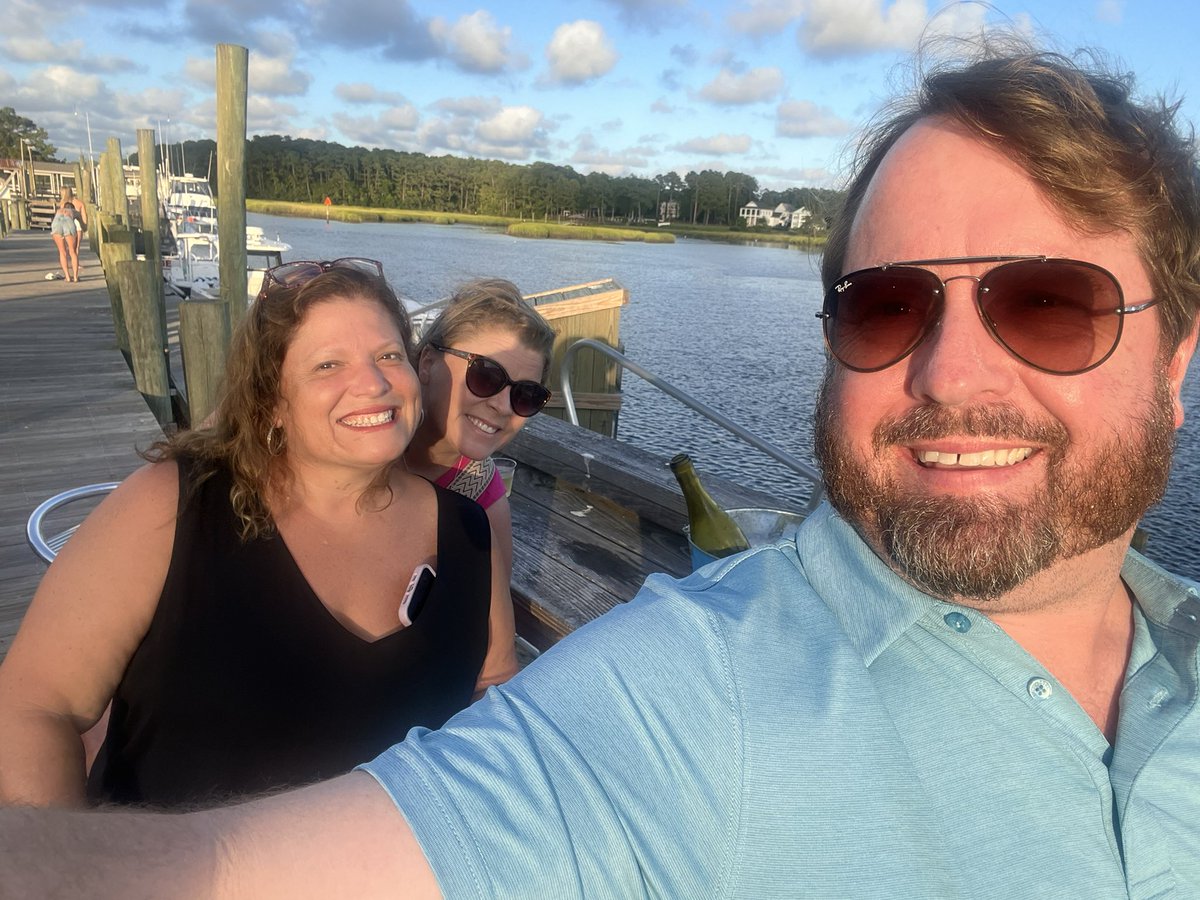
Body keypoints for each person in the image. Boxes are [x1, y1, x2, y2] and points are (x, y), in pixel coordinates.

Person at [3, 40, 1199, 897]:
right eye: (885, 306)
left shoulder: (473, 525)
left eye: (1051, 304)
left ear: (1178, 361)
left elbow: (490, 683)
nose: (949, 373)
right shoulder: (696, 692)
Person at [0, 259, 517, 810]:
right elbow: (33, 707)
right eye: (327, 365)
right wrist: (73, 870)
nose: (372, 382)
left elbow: (496, 694)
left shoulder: (467, 530)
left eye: (389, 356)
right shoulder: (176, 508)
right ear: (272, 403)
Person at [404, 278, 556, 619]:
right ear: (427, 363)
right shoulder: (364, 453)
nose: (503, 406)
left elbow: (488, 624)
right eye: (486, 376)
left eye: (525, 394)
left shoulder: (483, 497)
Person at [49, 187, 80, 282]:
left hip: (56, 223)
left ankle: (67, 277)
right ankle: (75, 277)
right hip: (68, 222)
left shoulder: (59, 210)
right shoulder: (74, 211)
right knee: (72, 251)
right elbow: (83, 226)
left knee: (62, 252)